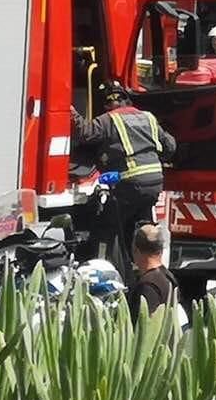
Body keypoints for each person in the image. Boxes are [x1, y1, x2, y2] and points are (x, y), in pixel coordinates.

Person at [71, 81, 176, 275]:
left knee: (111, 228)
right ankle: (148, 271)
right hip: (155, 182)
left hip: (130, 184)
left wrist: (69, 110)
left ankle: (120, 274)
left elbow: (84, 132)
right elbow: (170, 145)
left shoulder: (109, 119)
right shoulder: (148, 117)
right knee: (142, 231)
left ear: (108, 104)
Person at [128, 223, 178, 320]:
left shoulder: (147, 286)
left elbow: (145, 327)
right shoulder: (169, 278)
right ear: (161, 250)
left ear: (136, 250)